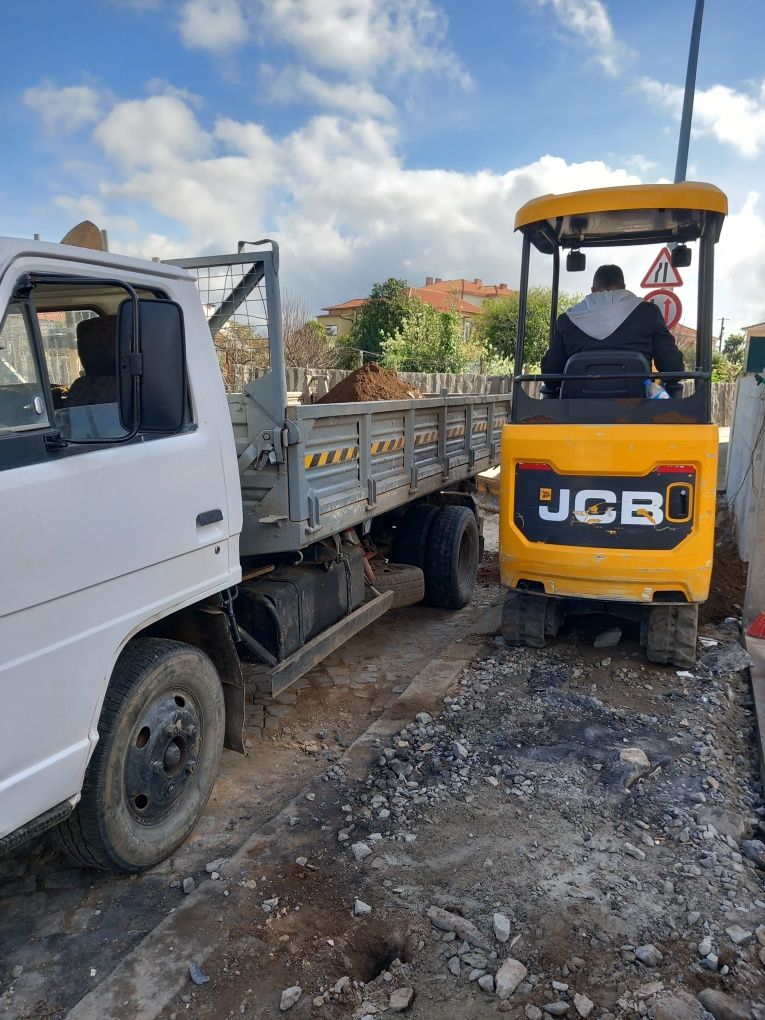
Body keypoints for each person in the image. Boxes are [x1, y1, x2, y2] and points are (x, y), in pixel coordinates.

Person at [540, 264, 684, 395]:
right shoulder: (649, 313)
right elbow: (673, 368)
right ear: (623, 287)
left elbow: (551, 375)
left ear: (592, 290)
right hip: (640, 412)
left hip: (573, 413)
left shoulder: (567, 319)